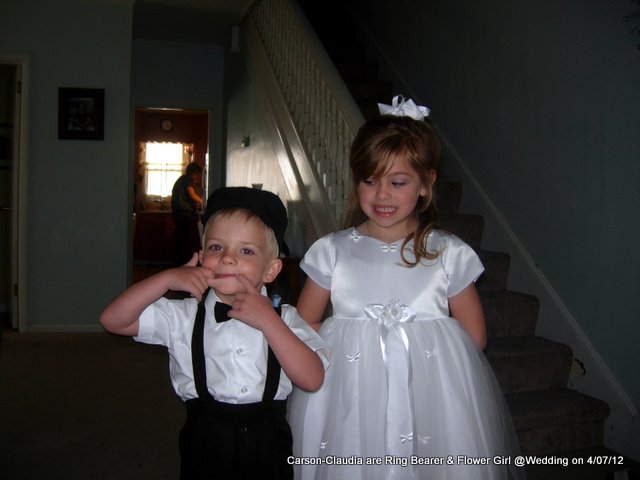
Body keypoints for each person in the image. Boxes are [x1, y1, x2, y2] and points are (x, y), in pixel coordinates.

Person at [287, 97, 524, 480]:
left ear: (426, 185)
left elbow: (474, 335)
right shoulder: (332, 251)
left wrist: (416, 352)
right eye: (370, 181)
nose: (382, 194)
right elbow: (305, 322)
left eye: (397, 183)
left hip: (425, 393)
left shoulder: (447, 252)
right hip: (350, 394)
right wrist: (352, 349)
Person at [100, 186, 328, 480]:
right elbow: (113, 320)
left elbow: (311, 378)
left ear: (270, 271)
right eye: (217, 247)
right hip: (204, 442)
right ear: (201, 255)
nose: (228, 258)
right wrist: (166, 278)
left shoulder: (286, 319)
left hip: (268, 444)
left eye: (246, 251)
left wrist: (270, 323)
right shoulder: (183, 315)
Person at [172, 163, 204, 266]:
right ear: (194, 173)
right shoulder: (187, 180)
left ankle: (179, 264)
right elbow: (192, 195)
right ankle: (182, 265)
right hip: (184, 214)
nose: (198, 177)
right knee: (184, 241)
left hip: (179, 214)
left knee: (180, 241)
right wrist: (205, 203)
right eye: (198, 174)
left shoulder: (181, 180)